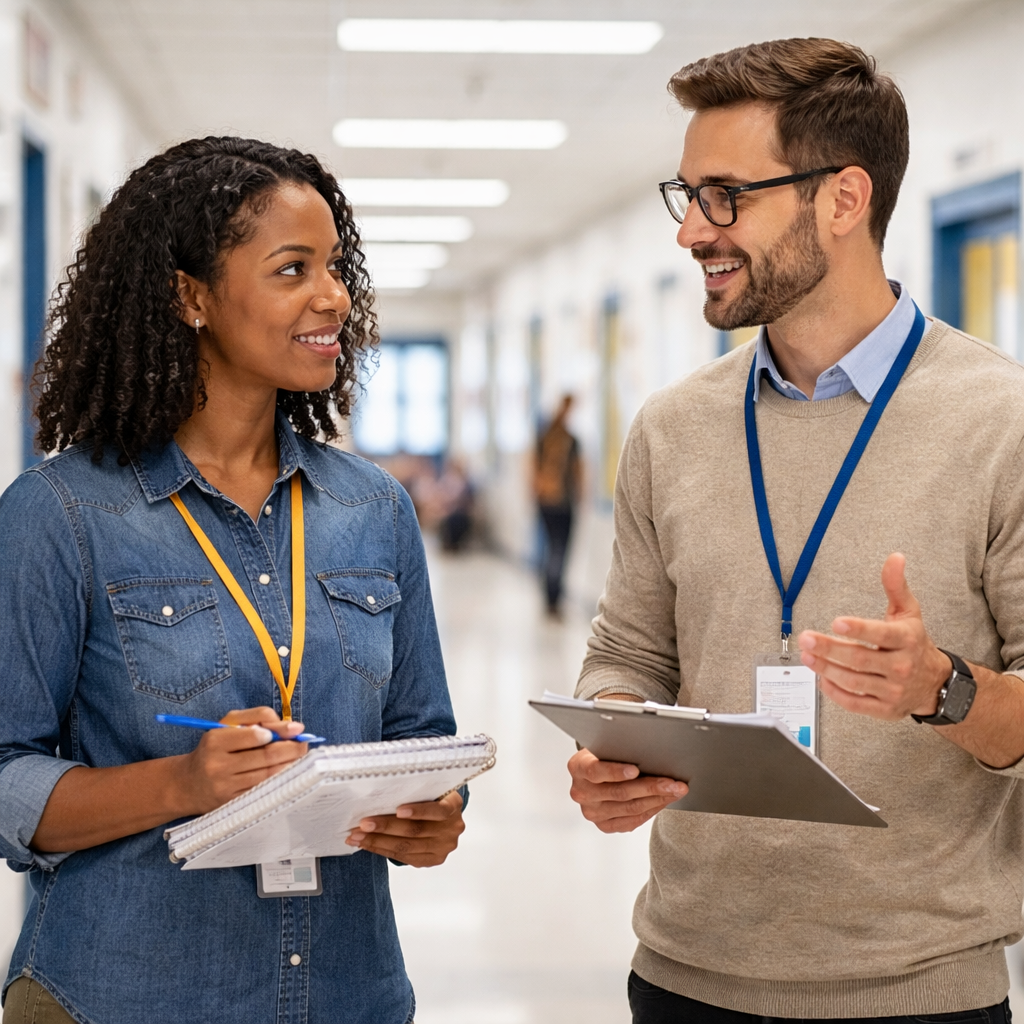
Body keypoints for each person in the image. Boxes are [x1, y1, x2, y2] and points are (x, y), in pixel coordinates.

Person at [567, 38, 1024, 1023]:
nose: (691, 231)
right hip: (686, 977)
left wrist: (941, 688)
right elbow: (627, 651)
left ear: (843, 200)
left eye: (725, 195)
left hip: (918, 993)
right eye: (685, 195)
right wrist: (610, 734)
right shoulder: (671, 426)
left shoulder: (1002, 420)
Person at [0, 137, 466, 1024]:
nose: (333, 295)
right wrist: (184, 783)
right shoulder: (60, 514)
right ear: (190, 296)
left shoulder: (373, 509)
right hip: (122, 995)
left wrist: (430, 815)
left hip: (347, 994)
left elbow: (420, 735)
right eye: (292, 269)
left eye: (335, 267)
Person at [532, 395, 582, 617]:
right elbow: (578, 473)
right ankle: (554, 598)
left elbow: (532, 471)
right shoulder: (571, 441)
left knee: (550, 548)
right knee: (560, 550)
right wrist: (580, 498)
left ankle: (549, 596)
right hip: (563, 503)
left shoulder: (543, 438)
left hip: (545, 502)